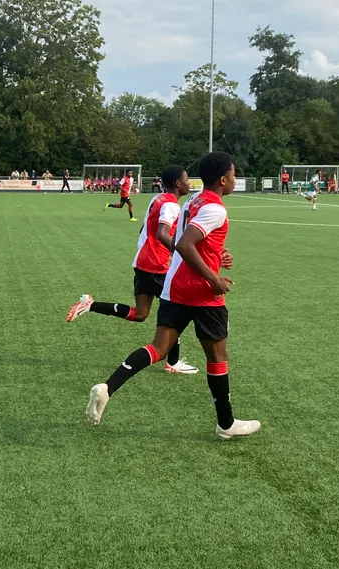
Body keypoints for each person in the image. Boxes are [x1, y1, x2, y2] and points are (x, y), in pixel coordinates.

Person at [85, 152, 260, 440]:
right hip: (201, 294)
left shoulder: (193, 201)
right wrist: (213, 277)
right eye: (233, 174)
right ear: (222, 179)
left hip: (174, 289)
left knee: (158, 349)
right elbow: (185, 243)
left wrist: (217, 257)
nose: (234, 179)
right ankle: (226, 424)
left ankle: (107, 387)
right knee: (217, 356)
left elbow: (194, 243)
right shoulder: (215, 208)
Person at [67, 164, 198, 374]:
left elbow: (144, 228)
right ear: (177, 183)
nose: (189, 183)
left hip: (143, 262)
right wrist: (180, 252)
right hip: (158, 265)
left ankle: (90, 305)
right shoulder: (172, 205)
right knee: (174, 313)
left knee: (140, 314)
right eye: (186, 179)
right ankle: (172, 363)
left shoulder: (157, 199)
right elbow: (163, 233)